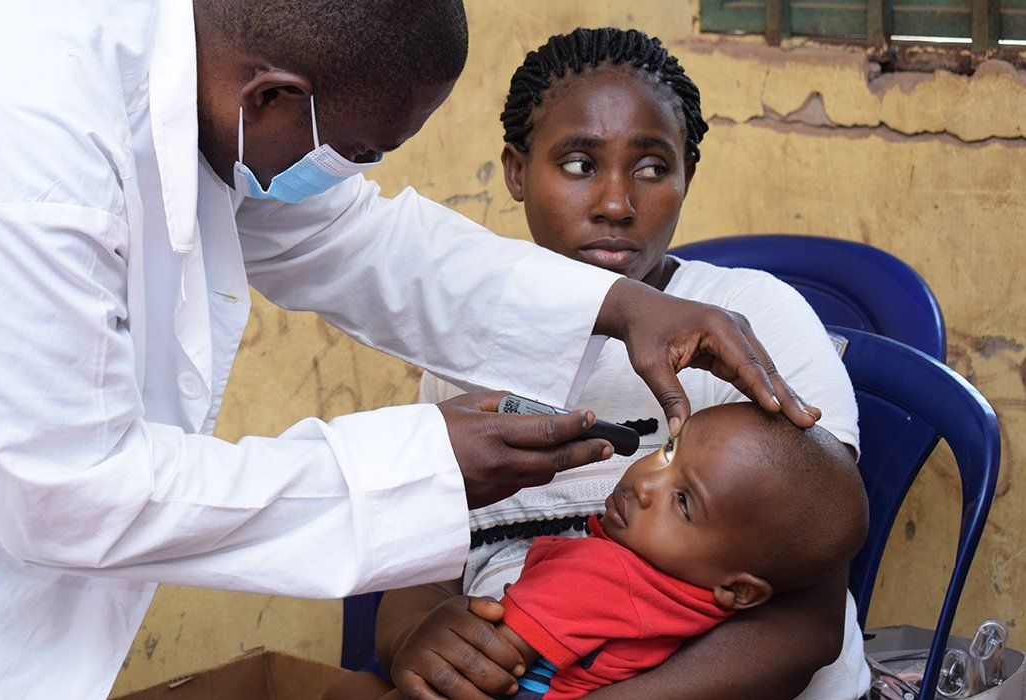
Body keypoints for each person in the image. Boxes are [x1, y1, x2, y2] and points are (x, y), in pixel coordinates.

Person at [0, 5, 817, 698]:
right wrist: (425, 464)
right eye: (354, 149)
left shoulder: (193, 67)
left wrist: (611, 304)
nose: (348, 176)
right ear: (270, 98)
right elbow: (68, 484)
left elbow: (356, 239)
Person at [364, 27, 870, 700]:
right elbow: (421, 568)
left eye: (652, 167)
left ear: (687, 174)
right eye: (578, 164)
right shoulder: (465, 345)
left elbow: (802, 627)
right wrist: (422, 636)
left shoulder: (747, 320)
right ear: (517, 170)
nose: (615, 203)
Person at [352, 403, 869, 700]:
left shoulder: (599, 577)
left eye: (683, 502)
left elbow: (481, 663)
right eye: (669, 450)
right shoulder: (690, 594)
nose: (646, 482)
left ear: (739, 589)